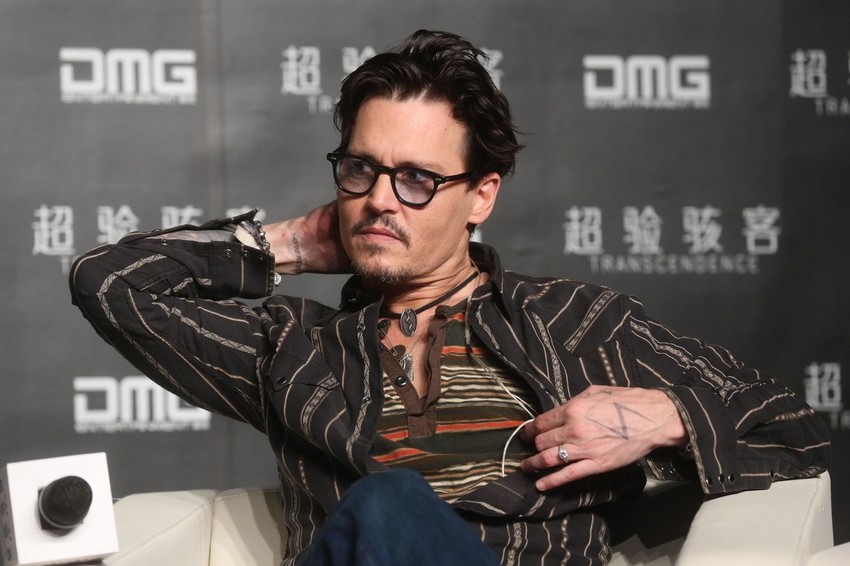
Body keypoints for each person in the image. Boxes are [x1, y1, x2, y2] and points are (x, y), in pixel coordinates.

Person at [70, 30, 830, 565]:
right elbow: (109, 282)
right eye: (360, 170)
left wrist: (661, 417)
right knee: (382, 509)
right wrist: (291, 243)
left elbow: (794, 431)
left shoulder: (575, 323)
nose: (380, 200)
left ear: (481, 197)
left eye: (416, 179)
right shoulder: (297, 352)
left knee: (390, 504)